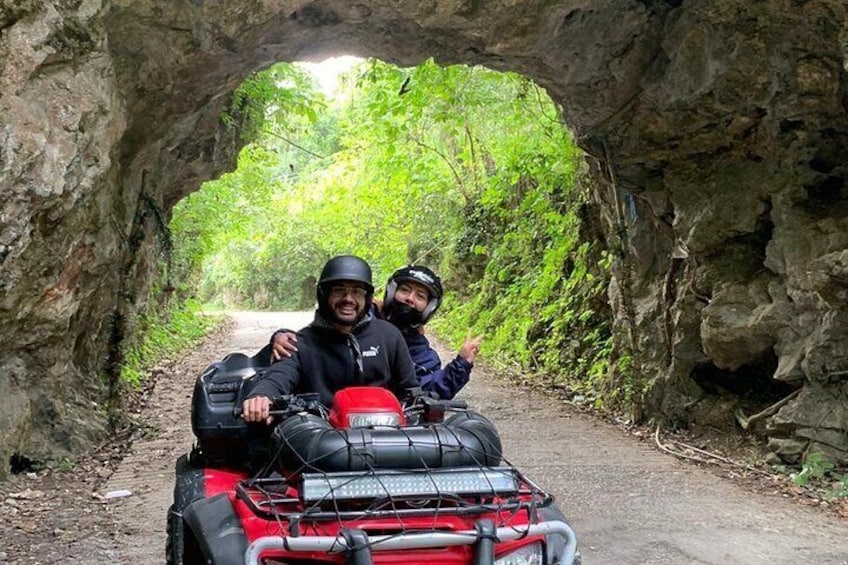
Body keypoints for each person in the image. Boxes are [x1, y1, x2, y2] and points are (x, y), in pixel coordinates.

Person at [242, 255, 419, 423]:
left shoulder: (389, 335)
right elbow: (278, 377)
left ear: (367, 298)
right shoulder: (301, 342)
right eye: (339, 290)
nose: (348, 299)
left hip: (387, 436)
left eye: (357, 292)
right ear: (324, 295)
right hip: (323, 440)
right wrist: (262, 396)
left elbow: (411, 390)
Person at [270, 264, 482, 400]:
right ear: (391, 292)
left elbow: (427, 393)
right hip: (326, 415)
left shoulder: (422, 355)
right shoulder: (357, 313)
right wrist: (281, 336)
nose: (410, 299)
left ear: (428, 307)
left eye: (420, 296)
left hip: (382, 425)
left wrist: (460, 365)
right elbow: (316, 335)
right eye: (405, 290)